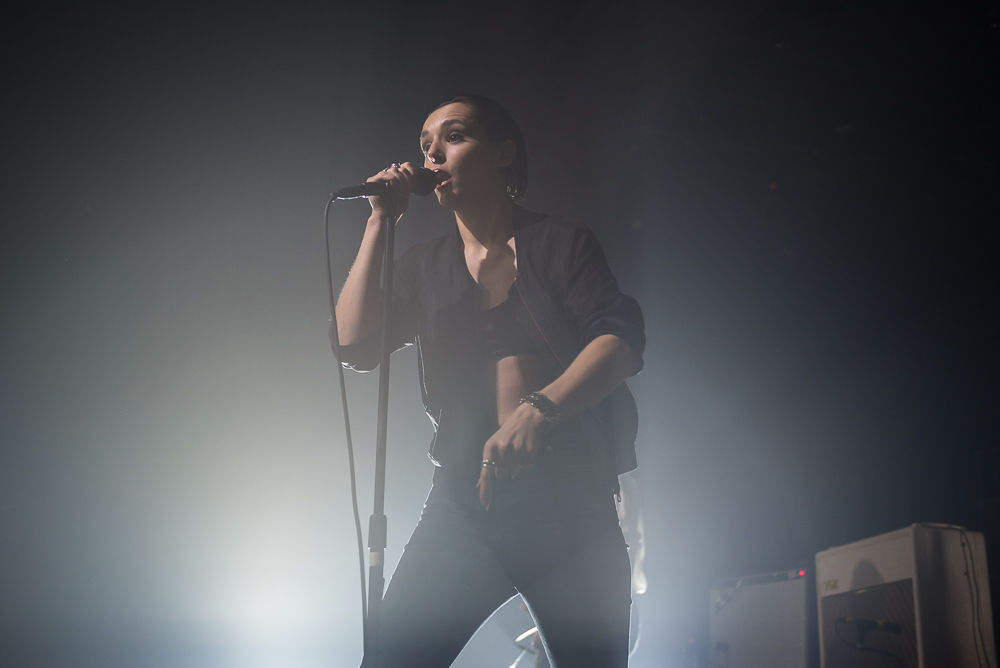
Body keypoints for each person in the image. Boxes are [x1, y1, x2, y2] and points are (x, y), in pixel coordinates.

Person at [334, 94, 645, 668]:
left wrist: (538, 409)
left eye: (453, 136)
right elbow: (353, 342)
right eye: (426, 144)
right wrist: (380, 219)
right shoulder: (424, 267)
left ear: (503, 153)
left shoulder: (561, 243)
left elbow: (620, 341)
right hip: (464, 508)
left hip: (574, 508)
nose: (433, 153)